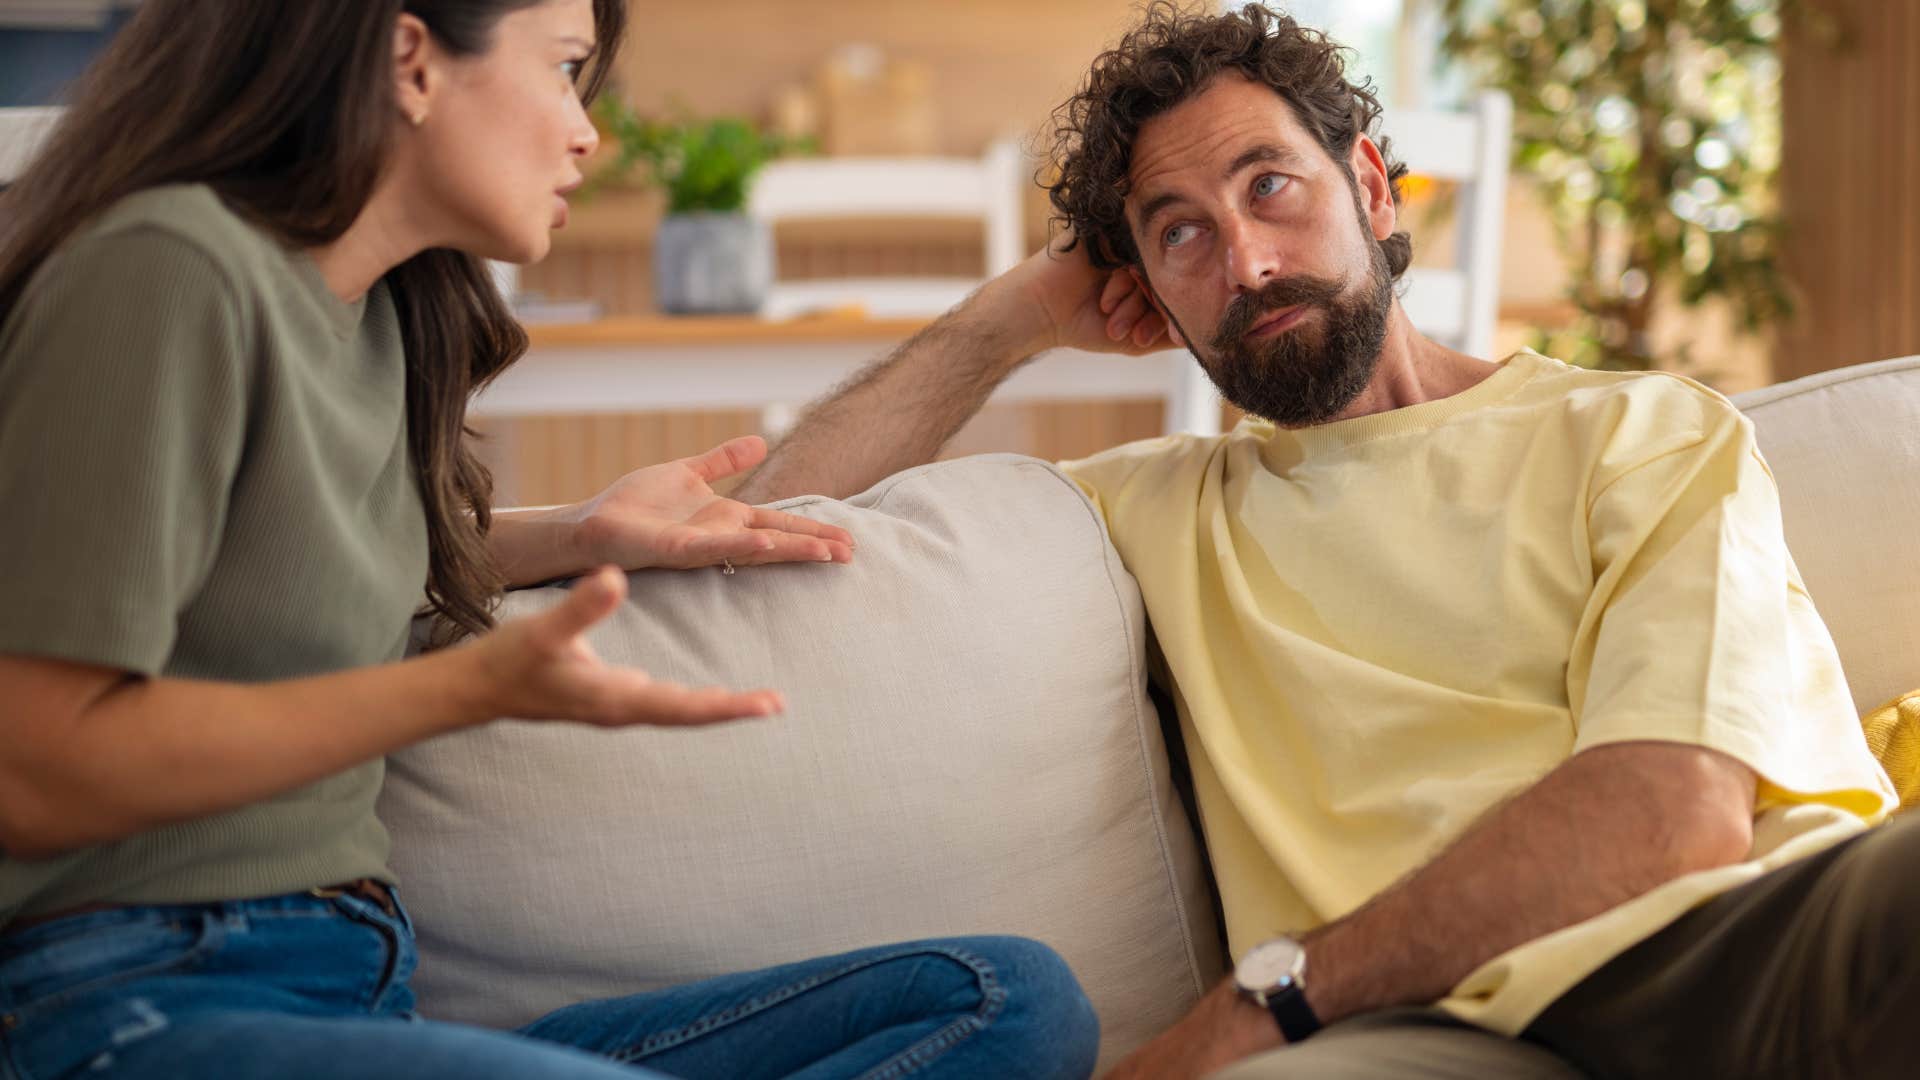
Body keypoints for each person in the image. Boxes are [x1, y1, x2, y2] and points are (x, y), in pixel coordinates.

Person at [732, 4, 1920, 1077]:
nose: (1247, 263)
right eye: (1181, 236)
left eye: (1270, 187)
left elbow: (1672, 816)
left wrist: (1269, 1003)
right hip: (1429, 1034)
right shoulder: (1154, 509)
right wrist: (1014, 318)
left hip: (1753, 944)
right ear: (1147, 296)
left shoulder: (1639, 432)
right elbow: (762, 530)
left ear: (1371, 188)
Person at [0, 2, 1101, 1078]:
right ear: (411, 61)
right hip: (133, 994)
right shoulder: (167, 266)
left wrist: (586, 532)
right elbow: (33, 771)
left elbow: (286, 556)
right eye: (565, 67)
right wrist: (464, 688)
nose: (588, 133)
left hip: (357, 994)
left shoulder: (379, 316)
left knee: (1006, 998)